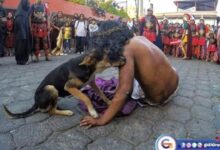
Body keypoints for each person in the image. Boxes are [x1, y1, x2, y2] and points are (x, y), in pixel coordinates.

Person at [80, 21, 179, 127]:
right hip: (175, 84)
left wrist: (102, 120)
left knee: (124, 83)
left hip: (157, 99)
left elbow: (125, 90)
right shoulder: (140, 38)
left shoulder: (125, 51)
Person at [14, 0, 31, 65]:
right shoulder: (25, 2)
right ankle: (22, 60)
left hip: (21, 20)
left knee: (19, 41)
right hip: (22, 21)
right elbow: (26, 6)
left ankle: (19, 60)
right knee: (22, 41)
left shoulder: (19, 11)